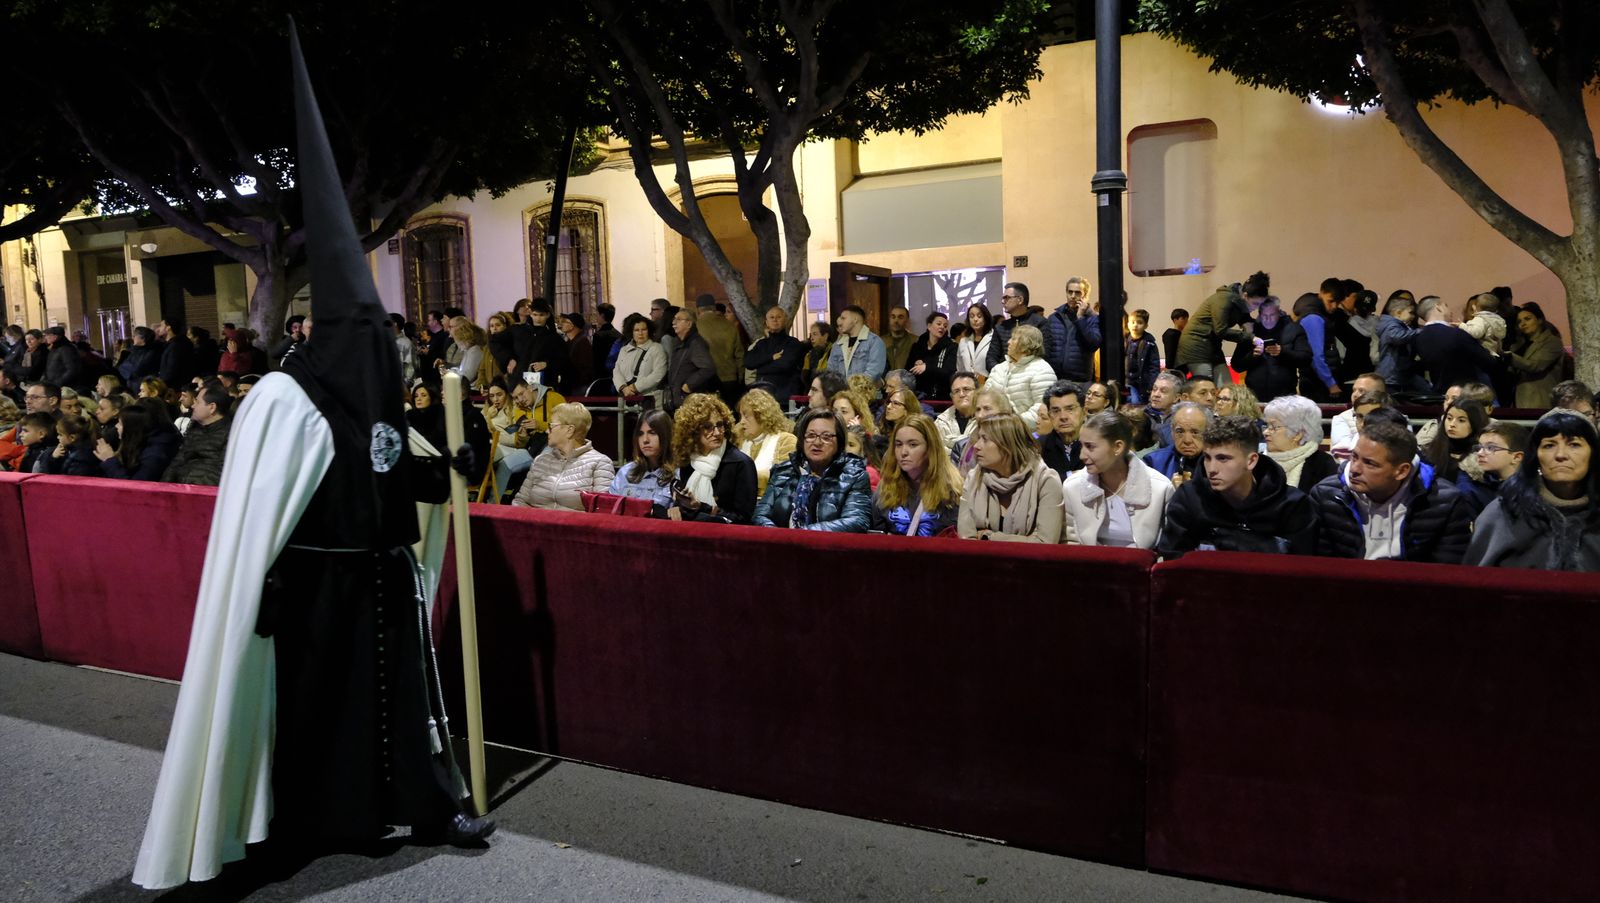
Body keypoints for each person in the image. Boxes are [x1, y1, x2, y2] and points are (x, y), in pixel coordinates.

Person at [1309, 419, 1474, 563]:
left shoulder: (1446, 502)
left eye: (1369, 463)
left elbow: (1446, 570)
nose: (1354, 469)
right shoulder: (1326, 495)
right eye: (1354, 457)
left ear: (1402, 471)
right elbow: (1321, 565)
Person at [1155, 416, 1318, 558]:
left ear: (1251, 461)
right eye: (1207, 458)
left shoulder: (1292, 505)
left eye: (1223, 459)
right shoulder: (1188, 498)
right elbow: (1174, 561)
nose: (1212, 469)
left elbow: (1301, 570)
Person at [1465, 410, 1600, 570]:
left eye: (1574, 444)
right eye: (1549, 445)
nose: (1560, 455)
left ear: (1593, 454)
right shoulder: (1503, 512)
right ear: (1535, 456)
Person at [1063, 410, 1175, 548]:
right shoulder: (1072, 486)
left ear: (1118, 447)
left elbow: (1167, 546)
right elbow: (1071, 543)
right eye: (1081, 446)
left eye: (1090, 446)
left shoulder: (1160, 488)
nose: (1082, 455)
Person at [752, 407, 873, 532]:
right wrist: (780, 537)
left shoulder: (855, 475)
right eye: (811, 435)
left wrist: (802, 535)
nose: (817, 442)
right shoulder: (784, 470)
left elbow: (856, 521)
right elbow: (760, 515)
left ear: (840, 441)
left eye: (826, 437)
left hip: (829, 549)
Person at [956, 412, 1064, 542]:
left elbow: (1045, 542)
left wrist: (990, 537)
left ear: (1008, 444)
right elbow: (966, 540)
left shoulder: (1046, 481)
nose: (976, 446)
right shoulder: (974, 478)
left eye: (985, 439)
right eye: (978, 438)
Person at [667, 393, 757, 524]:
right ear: (693, 430)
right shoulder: (687, 461)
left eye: (720, 425)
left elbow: (743, 518)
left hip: (726, 538)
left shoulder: (741, 463)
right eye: (708, 427)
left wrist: (703, 508)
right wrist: (677, 507)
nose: (716, 433)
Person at [871, 412, 962, 536]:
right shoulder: (886, 487)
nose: (903, 452)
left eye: (913, 444)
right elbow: (877, 534)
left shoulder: (952, 489)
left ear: (930, 448)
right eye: (898, 444)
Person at [511, 402, 615, 510]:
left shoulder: (600, 463)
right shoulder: (540, 461)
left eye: (551, 426)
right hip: (536, 525)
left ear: (569, 430)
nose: (547, 431)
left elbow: (602, 510)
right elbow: (520, 501)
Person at [1177, 273, 1263, 382]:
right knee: (1205, 388)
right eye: (1255, 303)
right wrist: (1251, 338)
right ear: (1245, 296)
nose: (1256, 308)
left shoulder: (1240, 304)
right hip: (1196, 346)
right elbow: (1221, 331)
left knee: (1227, 388)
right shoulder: (1224, 299)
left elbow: (1247, 321)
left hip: (1213, 347)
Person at [1231, 295, 1307, 403]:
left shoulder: (1293, 329)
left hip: (1285, 398)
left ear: (1279, 313)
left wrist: (1283, 352)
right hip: (1255, 397)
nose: (1268, 319)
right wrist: (1253, 355)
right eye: (1264, 315)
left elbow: (1306, 358)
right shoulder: (1251, 331)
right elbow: (1236, 365)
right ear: (1259, 314)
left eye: (1272, 315)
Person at [1414, 296, 1494, 395]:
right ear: (1438, 307)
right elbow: (1487, 360)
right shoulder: (1456, 334)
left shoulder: (1419, 338)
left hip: (1440, 393)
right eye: (1446, 305)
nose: (1449, 309)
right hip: (1467, 394)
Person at [983, 324, 1057, 433]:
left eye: (1013, 339)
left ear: (1026, 344)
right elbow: (985, 398)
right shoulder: (999, 368)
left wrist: (1011, 425)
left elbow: (1042, 407)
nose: (1008, 342)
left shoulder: (1042, 370)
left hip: (1027, 435)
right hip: (994, 431)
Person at [1262, 395, 1340, 492]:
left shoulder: (1322, 465)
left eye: (1274, 427)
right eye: (1266, 426)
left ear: (1297, 434)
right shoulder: (1259, 461)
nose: (1265, 432)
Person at [161, 382, 232, 486]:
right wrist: (163, 488)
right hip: (180, 489)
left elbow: (222, 471)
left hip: (203, 493)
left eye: (197, 402)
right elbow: (177, 462)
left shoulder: (231, 435)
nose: (193, 406)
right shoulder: (194, 429)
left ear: (212, 407)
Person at [609, 410, 676, 513]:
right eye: (640, 434)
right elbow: (610, 510)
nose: (645, 440)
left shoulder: (678, 475)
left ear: (665, 436)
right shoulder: (625, 472)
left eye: (652, 433)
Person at [1457, 419, 1528, 516]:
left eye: (1491, 448)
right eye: (1480, 447)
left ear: (1516, 457)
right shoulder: (1469, 489)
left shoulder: (1539, 486)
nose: (1480, 453)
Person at [737, 387, 798, 496]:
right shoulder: (741, 440)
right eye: (741, 416)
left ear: (762, 416)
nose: (742, 422)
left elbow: (783, 477)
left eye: (746, 417)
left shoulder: (786, 440)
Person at [1506, 302, 1565, 409]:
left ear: (1540, 320)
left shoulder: (1552, 342)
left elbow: (1535, 365)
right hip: (1518, 401)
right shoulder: (1518, 345)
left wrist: (1509, 356)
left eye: (1527, 319)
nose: (1523, 323)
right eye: (1519, 322)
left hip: (1539, 401)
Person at [1044, 276, 1103, 381]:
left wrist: (1080, 318)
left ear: (1085, 295)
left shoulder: (1092, 318)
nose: (1072, 296)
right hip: (1054, 377)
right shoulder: (1054, 317)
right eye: (1070, 292)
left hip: (1079, 378)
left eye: (1077, 293)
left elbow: (1093, 344)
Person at [986, 283, 1055, 373]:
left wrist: (1021, 375)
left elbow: (1044, 355)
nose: (1003, 301)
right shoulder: (1001, 327)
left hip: (1032, 376)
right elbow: (991, 358)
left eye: (1007, 297)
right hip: (1005, 377)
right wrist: (1000, 373)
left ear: (1020, 300)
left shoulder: (1040, 323)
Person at [743, 306, 807, 400]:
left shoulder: (793, 343)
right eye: (771, 317)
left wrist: (760, 367)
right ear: (767, 322)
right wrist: (771, 357)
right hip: (763, 396)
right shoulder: (761, 344)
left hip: (786, 396)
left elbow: (785, 365)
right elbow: (748, 362)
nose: (775, 320)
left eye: (779, 317)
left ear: (785, 321)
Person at [1421, 399, 1491, 483]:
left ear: (1475, 424)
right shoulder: (1428, 451)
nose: (1452, 424)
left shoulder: (1483, 456)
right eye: (1449, 418)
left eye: (1461, 420)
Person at [1290, 292, 1341, 402]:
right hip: (1318, 383)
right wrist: (1331, 383)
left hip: (1314, 380)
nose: (1335, 306)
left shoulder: (1309, 317)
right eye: (1330, 301)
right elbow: (1316, 355)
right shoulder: (1314, 318)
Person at [1374, 293, 1428, 395]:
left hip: (1400, 373)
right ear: (1398, 313)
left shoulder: (1396, 325)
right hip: (1391, 375)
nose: (1413, 316)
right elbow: (1398, 337)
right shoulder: (1391, 326)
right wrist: (1420, 331)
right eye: (1411, 313)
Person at [693, 295, 743, 402]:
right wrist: (740, 376)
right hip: (729, 378)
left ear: (698, 310)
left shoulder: (695, 326)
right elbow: (739, 354)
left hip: (705, 379)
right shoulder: (730, 326)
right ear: (714, 308)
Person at [667, 307, 718, 411]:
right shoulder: (679, 343)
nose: (674, 322)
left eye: (679, 319)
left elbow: (708, 368)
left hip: (690, 401)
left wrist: (688, 385)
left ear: (689, 324)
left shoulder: (696, 343)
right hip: (679, 401)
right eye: (674, 319)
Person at [1146, 402, 1211, 484]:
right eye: (1180, 431)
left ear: (1208, 432)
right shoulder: (1153, 462)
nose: (1187, 440)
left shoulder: (1219, 464)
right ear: (1172, 432)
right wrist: (1169, 491)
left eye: (1195, 432)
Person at [613, 316, 669, 407]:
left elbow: (658, 374)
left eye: (644, 329)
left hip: (649, 399)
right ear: (631, 332)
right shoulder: (624, 350)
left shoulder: (657, 348)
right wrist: (623, 388)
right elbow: (617, 371)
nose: (640, 333)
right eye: (636, 330)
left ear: (649, 331)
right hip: (626, 400)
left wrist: (635, 387)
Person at [1037, 380, 1087, 479]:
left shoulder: (1099, 443)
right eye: (1056, 411)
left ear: (1084, 412)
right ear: (1049, 415)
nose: (1063, 416)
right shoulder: (1038, 447)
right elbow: (1037, 481)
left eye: (1070, 409)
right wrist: (1072, 476)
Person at [1331, 286, 1380, 386]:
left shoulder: (1343, 325)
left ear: (1355, 307)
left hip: (1349, 374)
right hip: (1371, 375)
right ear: (1372, 309)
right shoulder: (1379, 325)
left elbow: (1341, 353)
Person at [906, 311, 958, 400]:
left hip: (941, 396)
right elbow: (907, 369)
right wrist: (916, 364)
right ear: (929, 326)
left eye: (945, 326)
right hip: (918, 395)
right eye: (939, 324)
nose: (942, 327)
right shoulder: (918, 346)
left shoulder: (951, 346)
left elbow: (949, 371)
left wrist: (927, 367)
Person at [826, 304, 887, 380]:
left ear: (855, 319)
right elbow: (830, 373)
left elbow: (873, 373)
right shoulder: (837, 345)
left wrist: (854, 387)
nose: (839, 322)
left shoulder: (874, 342)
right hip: (842, 391)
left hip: (865, 391)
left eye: (843, 318)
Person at [1329, 373, 1387, 449]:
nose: (1355, 395)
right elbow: (1343, 452)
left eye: (1361, 391)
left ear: (1379, 394)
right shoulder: (1341, 419)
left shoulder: (1398, 418)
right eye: (1354, 390)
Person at [1124, 309, 1162, 402]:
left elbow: (1154, 366)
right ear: (1128, 324)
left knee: (1136, 403)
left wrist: (1151, 385)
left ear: (1146, 326)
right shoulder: (1124, 340)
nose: (1135, 325)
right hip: (1125, 381)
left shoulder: (1149, 343)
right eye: (1132, 322)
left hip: (1140, 382)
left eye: (1139, 323)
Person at [936, 371, 980, 446]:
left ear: (977, 392)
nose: (961, 394)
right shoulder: (941, 422)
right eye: (956, 391)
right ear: (952, 396)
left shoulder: (986, 420)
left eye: (966, 389)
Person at [555, 312, 595, 393]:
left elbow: (585, 368)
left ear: (573, 325)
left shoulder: (582, 342)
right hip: (569, 385)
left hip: (577, 388)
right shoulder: (570, 342)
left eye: (565, 322)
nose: (561, 324)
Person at [1145, 370, 1184, 446]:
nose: (1156, 394)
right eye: (1154, 389)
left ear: (1176, 397)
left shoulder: (1183, 419)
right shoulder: (1141, 417)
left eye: (1163, 391)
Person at [154, 319, 196, 388]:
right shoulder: (171, 344)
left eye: (161, 326)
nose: (158, 329)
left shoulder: (177, 345)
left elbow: (172, 369)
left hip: (174, 386)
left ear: (168, 328)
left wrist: (162, 383)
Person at [957, 303, 995, 377]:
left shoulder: (994, 338)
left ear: (986, 318)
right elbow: (960, 368)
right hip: (968, 385)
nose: (975, 319)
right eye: (971, 316)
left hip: (988, 384)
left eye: (979, 316)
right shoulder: (963, 341)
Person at [43, 326, 84, 390]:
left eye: (47, 335)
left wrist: (57, 383)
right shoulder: (55, 348)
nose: (45, 337)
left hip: (65, 387)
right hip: (54, 384)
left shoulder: (66, 349)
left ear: (55, 336)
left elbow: (72, 370)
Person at [799, 320, 836, 391]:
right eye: (811, 335)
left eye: (815, 334)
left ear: (825, 336)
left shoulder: (833, 352)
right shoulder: (809, 355)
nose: (811, 338)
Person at [882, 305, 917, 373]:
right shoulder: (881, 341)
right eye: (893, 317)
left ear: (907, 320)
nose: (896, 320)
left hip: (907, 381)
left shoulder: (916, 341)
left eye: (900, 317)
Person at [590, 302, 622, 376]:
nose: (596, 317)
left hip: (603, 374)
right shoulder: (618, 334)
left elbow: (596, 359)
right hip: (616, 373)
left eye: (597, 314)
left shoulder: (598, 335)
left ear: (602, 315)